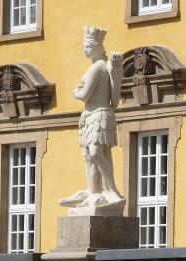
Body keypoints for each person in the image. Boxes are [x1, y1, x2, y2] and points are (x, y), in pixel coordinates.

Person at [58, 25, 124, 211]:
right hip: (90, 117)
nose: (84, 49)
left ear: (97, 47)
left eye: (88, 46)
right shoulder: (97, 67)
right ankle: (93, 192)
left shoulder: (97, 68)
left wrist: (75, 91)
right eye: (84, 46)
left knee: (95, 153)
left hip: (99, 115)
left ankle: (112, 190)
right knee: (88, 156)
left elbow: (85, 94)